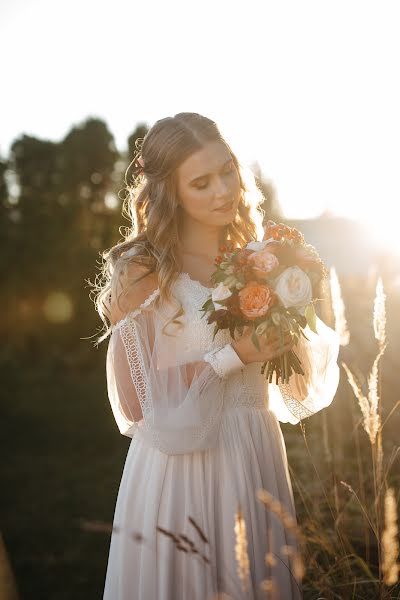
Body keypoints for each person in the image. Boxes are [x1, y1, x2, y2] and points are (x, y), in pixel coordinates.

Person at [94, 112, 340, 599]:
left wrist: (292, 329)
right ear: (171, 193)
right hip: (182, 467)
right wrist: (233, 354)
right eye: (201, 183)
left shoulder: (261, 258)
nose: (223, 190)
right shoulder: (144, 270)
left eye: (227, 171)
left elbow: (295, 386)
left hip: (255, 450)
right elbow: (138, 403)